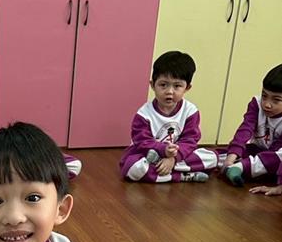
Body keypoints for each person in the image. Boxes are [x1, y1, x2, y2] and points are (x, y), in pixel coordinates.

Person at [120, 51, 217, 184]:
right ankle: (182, 176)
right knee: (133, 168)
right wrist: (163, 150)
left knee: (212, 157)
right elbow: (142, 142)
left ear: (187, 87)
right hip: (147, 155)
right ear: (153, 85)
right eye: (163, 85)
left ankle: (166, 171)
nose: (169, 91)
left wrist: (173, 159)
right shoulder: (144, 114)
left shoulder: (190, 111)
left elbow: (190, 141)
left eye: (177, 86)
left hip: (178, 156)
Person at [222, 64, 282, 195]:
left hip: (274, 157)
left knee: (276, 158)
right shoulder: (256, 104)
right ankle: (233, 166)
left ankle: (240, 167)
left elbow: (275, 152)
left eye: (276, 100)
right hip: (257, 152)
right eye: (264, 96)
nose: (267, 104)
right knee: (225, 153)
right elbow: (245, 129)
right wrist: (232, 155)